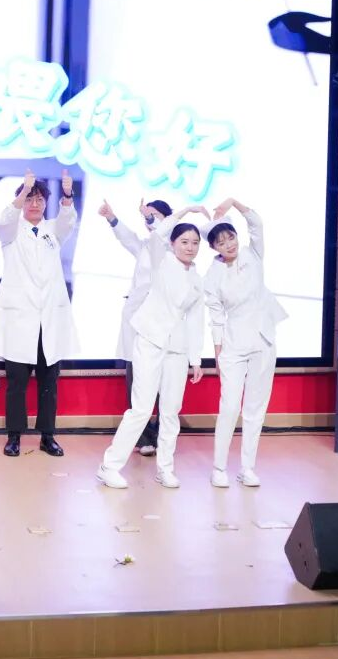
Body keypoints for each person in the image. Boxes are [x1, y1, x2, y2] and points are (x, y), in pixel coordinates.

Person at [97, 207, 209, 490]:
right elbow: (158, 235)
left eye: (195, 243)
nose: (190, 247)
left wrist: (196, 359)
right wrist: (185, 211)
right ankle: (109, 466)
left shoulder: (197, 279)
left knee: (170, 412)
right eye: (184, 241)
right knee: (141, 409)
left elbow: (196, 320)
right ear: (173, 243)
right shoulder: (162, 260)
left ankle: (165, 469)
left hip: (177, 349)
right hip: (150, 340)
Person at [0, 170, 78, 458]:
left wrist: (67, 195)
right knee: (16, 383)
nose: (34, 204)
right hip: (20, 320)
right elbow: (4, 221)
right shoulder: (11, 231)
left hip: (48, 320)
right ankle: (14, 436)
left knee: (49, 383)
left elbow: (67, 221)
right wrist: (23, 190)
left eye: (39, 199)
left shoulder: (53, 231)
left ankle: (47, 436)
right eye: (29, 199)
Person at [204, 199, 287, 488]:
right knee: (229, 407)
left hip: (263, 339)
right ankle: (219, 468)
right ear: (214, 247)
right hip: (233, 345)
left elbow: (256, 223)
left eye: (231, 237)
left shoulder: (253, 253)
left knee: (255, 408)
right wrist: (217, 352)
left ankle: (247, 467)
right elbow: (216, 317)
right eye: (221, 242)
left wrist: (233, 203)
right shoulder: (212, 275)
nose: (229, 244)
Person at [98, 198, 175, 457]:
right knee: (136, 382)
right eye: (146, 217)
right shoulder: (144, 247)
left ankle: (161, 433)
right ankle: (141, 437)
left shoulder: (172, 248)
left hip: (161, 325)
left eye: (154, 216)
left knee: (163, 383)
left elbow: (161, 233)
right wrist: (111, 217)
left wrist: (151, 218)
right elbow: (127, 237)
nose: (148, 220)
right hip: (136, 322)